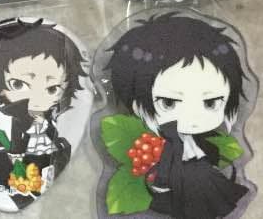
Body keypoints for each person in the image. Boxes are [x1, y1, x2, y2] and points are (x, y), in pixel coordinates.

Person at [107, 12, 250, 218]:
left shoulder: (200, 141)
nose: (192, 117)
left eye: (210, 103)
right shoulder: (169, 142)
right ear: (138, 106)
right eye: (169, 103)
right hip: (181, 186)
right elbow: (165, 167)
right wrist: (161, 185)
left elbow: (209, 153)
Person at [0, 19, 86, 188]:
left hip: (41, 162)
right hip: (19, 165)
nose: (37, 98)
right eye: (18, 84)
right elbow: (13, 139)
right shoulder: (13, 115)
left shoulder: (55, 127)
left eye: (52, 88)